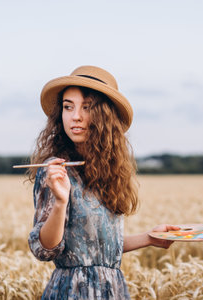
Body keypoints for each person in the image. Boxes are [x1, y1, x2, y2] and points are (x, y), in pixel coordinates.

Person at [27, 65, 179, 299]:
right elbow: (45, 249)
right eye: (68, 107)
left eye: (86, 107)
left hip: (112, 290)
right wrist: (60, 201)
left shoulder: (109, 172)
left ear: (105, 115)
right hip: (73, 292)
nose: (75, 116)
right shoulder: (57, 170)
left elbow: (99, 249)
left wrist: (150, 238)